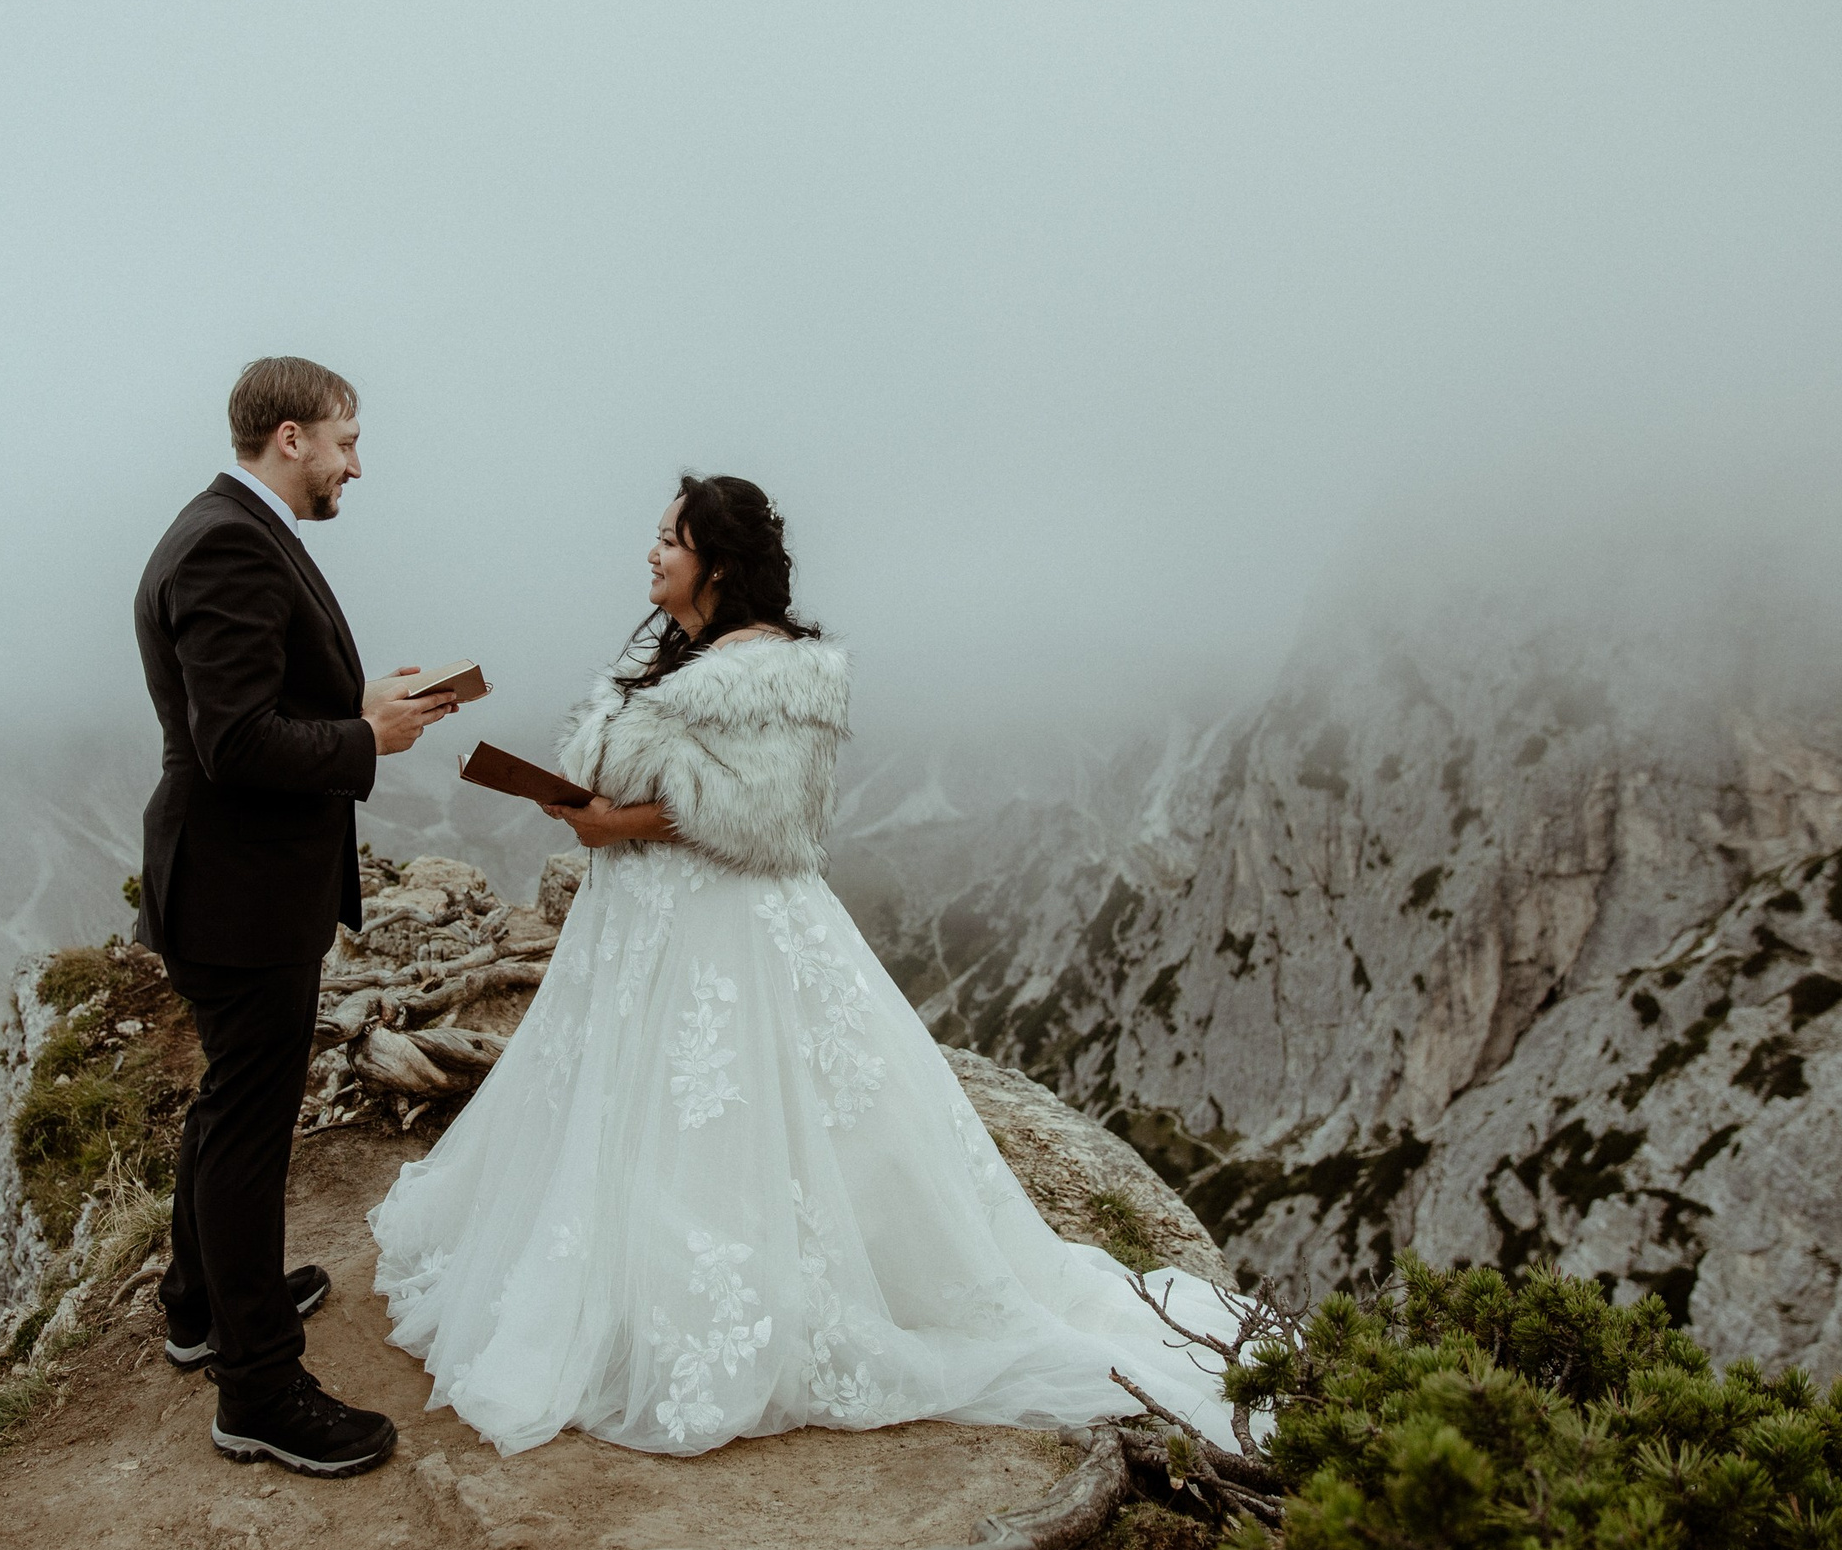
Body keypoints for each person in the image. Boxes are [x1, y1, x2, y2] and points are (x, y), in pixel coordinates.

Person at [367, 474, 1238, 1457]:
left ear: (719, 564)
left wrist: (613, 821)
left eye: (669, 540)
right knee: (632, 1102)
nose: (650, 553)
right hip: (637, 913)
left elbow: (770, 811)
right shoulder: (668, 648)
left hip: (721, 919)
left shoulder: (774, 666)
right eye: (654, 537)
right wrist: (583, 804)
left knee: (726, 1107)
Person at [133, 356, 458, 1478]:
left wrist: (357, 707)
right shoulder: (230, 542)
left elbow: (256, 701)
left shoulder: (226, 525)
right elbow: (234, 744)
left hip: (233, 883)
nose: (355, 465)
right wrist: (369, 742)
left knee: (233, 1101)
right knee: (248, 1126)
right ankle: (258, 1389)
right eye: (346, 442)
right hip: (239, 892)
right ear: (289, 438)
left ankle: (198, 1304)